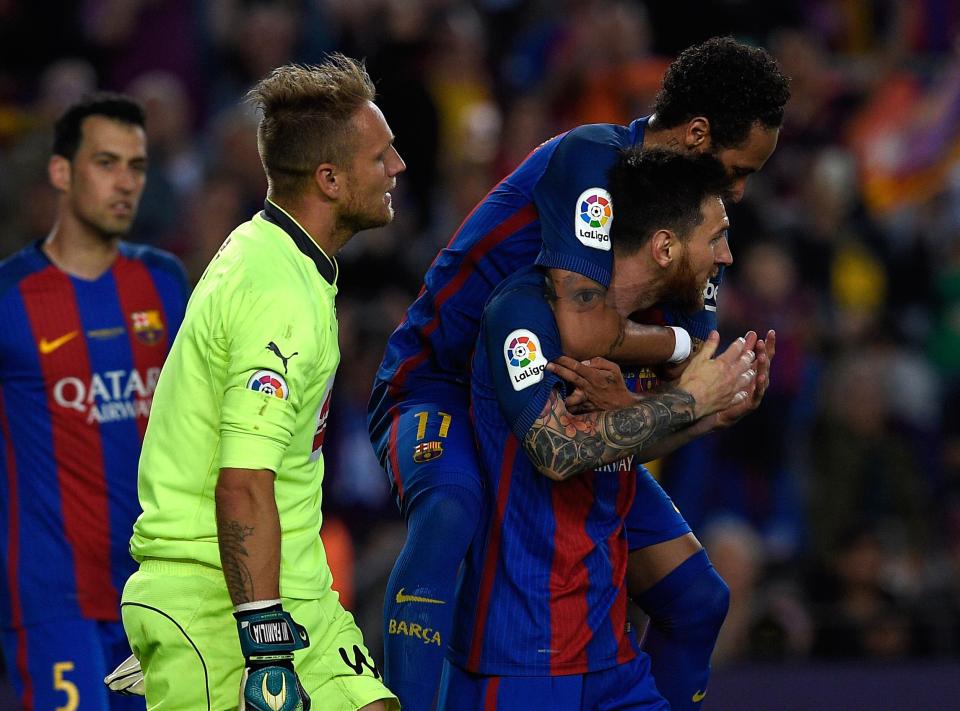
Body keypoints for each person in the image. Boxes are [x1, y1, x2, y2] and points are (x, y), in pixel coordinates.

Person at [369, 36, 788, 710]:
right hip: (438, 380)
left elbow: (680, 377)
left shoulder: (696, 236)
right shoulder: (592, 163)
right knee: (451, 508)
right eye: (737, 169)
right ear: (698, 134)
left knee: (697, 598)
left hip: (545, 394)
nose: (738, 192)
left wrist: (705, 400)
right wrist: (682, 369)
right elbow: (586, 329)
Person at [120, 56, 404, 711]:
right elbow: (243, 482)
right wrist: (266, 648)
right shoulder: (276, 292)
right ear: (329, 179)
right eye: (380, 155)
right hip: (214, 599)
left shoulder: (287, 259)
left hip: (298, 585)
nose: (398, 167)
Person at [438, 148, 761, 709]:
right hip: (521, 663)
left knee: (702, 599)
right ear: (665, 247)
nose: (728, 256)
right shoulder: (526, 312)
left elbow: (618, 447)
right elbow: (558, 451)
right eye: (717, 238)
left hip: (611, 662)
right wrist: (687, 398)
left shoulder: (646, 329)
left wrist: (705, 415)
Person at [0, 93, 189, 710]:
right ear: (61, 172)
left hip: (156, 598)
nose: (126, 182)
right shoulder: (10, 298)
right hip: (53, 600)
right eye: (106, 162)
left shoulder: (164, 283)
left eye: (136, 166)